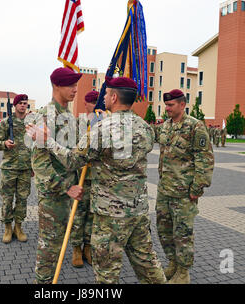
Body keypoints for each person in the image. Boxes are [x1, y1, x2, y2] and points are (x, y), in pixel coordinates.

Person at [28, 76, 166, 284]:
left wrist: (47, 141)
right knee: (148, 265)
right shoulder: (145, 128)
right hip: (138, 210)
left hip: (111, 214)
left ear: (114, 97)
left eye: (108, 93)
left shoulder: (103, 129)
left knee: (107, 274)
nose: (105, 97)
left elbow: (74, 160)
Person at [156, 89, 214, 284]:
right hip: (164, 191)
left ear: (182, 105)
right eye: (166, 105)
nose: (167, 108)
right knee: (164, 231)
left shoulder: (195, 127)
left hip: (183, 194)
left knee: (182, 234)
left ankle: (183, 272)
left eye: (171, 105)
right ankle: (172, 263)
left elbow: (205, 159)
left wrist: (196, 190)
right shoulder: (165, 127)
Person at [30, 67, 82, 284]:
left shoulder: (68, 115)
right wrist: (65, 187)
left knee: (59, 244)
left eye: (76, 85)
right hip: (54, 194)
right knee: (49, 247)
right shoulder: (46, 116)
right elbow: (39, 164)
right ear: (57, 86)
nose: (75, 89)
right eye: (71, 85)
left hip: (67, 193)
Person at [0, 94, 32, 244]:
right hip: (9, 167)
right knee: (7, 199)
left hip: (25, 168)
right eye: (20, 103)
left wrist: (33, 166)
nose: (23, 106)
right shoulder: (4, 123)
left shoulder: (30, 124)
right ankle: (8, 228)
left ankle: (19, 227)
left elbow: (34, 146)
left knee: (22, 199)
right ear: (15, 106)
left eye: (25, 104)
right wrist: (5, 144)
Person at [70, 90, 100, 268]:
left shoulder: (104, 123)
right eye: (92, 102)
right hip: (80, 176)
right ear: (86, 104)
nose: (96, 105)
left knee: (92, 215)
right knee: (78, 214)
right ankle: (76, 248)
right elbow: (71, 149)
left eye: (98, 102)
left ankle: (88, 246)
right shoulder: (78, 124)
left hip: (97, 178)